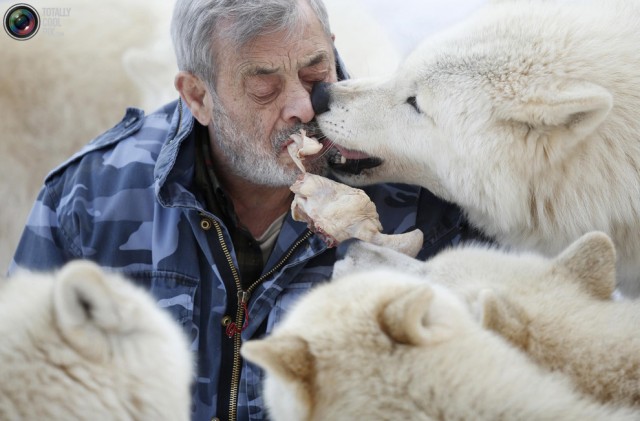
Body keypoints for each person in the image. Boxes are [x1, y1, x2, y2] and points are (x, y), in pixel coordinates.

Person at [9, 0, 481, 420]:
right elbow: (21, 383)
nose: (301, 105)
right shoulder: (91, 196)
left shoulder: (422, 184)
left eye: (317, 71)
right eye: (264, 87)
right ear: (198, 97)